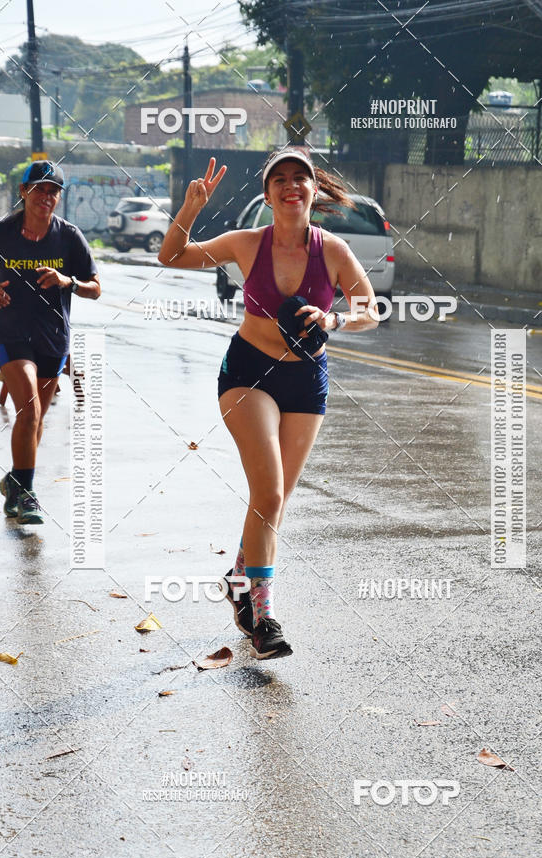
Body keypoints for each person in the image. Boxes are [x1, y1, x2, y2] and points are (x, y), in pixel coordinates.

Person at [159, 150, 377, 659]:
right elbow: (172, 257)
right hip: (248, 374)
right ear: (268, 194)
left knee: (272, 503)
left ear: (312, 190)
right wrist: (191, 208)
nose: (290, 186)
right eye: (279, 179)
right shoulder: (246, 243)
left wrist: (335, 320)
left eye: (299, 177)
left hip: (307, 382)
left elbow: (370, 310)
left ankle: (239, 577)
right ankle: (264, 618)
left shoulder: (335, 251)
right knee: (270, 491)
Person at [0, 161, 101, 525]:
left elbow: (95, 288)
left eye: (54, 190)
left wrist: (67, 281)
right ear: (24, 192)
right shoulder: (3, 234)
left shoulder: (69, 237)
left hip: (53, 337)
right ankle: (26, 494)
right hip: (10, 334)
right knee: (28, 409)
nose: (47, 196)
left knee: (36, 419)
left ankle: (14, 480)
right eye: (40, 188)